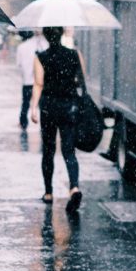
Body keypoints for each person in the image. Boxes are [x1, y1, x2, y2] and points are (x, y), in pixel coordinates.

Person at [30, 27, 85, 213]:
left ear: (46, 36)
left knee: (48, 149)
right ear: (61, 34)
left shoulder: (41, 57)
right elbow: (81, 79)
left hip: (49, 107)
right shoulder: (74, 54)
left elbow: (38, 83)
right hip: (69, 106)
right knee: (69, 150)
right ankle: (74, 187)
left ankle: (48, 193)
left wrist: (33, 108)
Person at [15, 31, 47, 131]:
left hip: (27, 82)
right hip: (41, 82)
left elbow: (19, 64)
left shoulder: (21, 47)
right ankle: (44, 124)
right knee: (42, 104)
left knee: (25, 103)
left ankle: (23, 122)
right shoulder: (45, 46)